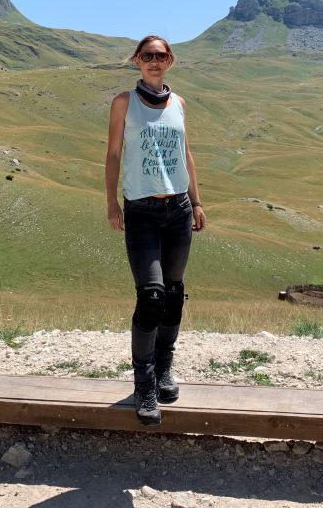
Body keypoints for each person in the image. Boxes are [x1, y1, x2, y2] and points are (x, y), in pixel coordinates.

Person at [105, 35, 206, 426]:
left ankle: (164, 370)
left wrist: (196, 202)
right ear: (136, 61)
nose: (154, 61)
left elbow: (186, 154)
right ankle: (144, 383)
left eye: (161, 56)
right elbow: (113, 153)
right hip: (142, 211)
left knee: (175, 295)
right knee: (151, 296)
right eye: (147, 55)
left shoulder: (179, 103)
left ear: (170, 61)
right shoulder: (122, 103)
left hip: (178, 208)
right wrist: (112, 202)